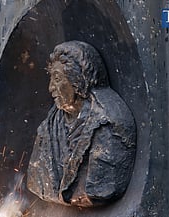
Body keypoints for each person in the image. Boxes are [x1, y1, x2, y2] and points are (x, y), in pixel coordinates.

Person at [27, 41, 136, 207]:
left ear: (77, 79)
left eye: (57, 79)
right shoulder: (49, 125)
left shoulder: (107, 123)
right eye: (51, 79)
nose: (50, 88)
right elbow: (37, 179)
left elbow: (101, 188)